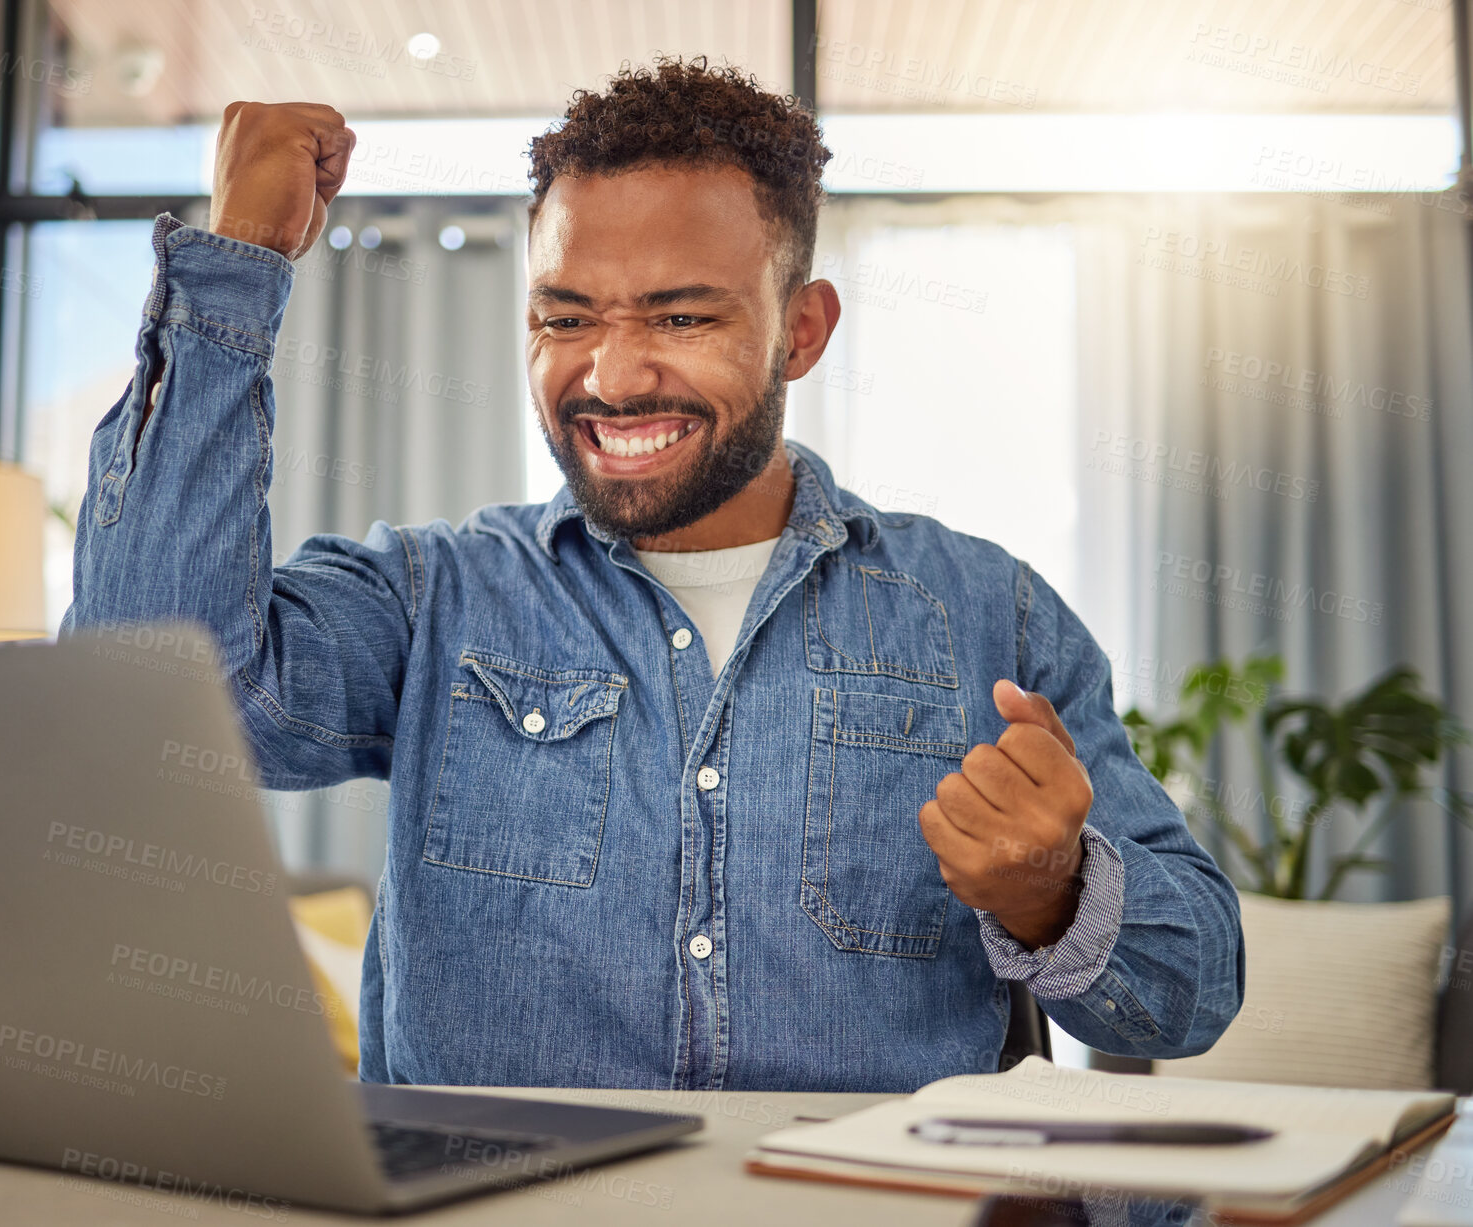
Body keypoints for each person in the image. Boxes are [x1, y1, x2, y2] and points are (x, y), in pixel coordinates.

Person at [64, 56, 1243, 1092]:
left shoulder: (989, 614)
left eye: (680, 319)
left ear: (801, 330)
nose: (612, 377)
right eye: (563, 316)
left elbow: (1187, 995)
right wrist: (234, 264)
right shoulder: (433, 602)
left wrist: (1051, 893)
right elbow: (140, 692)